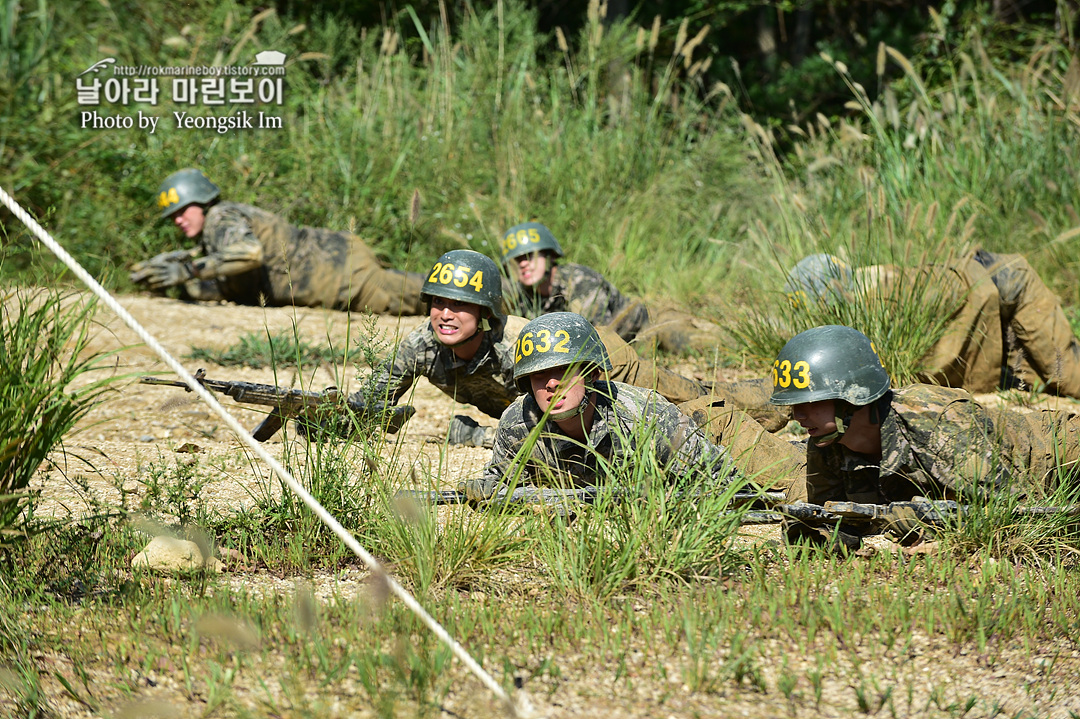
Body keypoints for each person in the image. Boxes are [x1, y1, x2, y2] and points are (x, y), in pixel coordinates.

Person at [350, 250, 713, 447]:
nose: (445, 315)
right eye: (437, 303)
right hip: (567, 392)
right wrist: (321, 414)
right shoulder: (420, 345)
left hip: (598, 365)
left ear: (485, 310)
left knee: (701, 405)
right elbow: (367, 406)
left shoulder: (515, 348)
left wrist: (478, 436)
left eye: (460, 305)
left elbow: (554, 431)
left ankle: (768, 397)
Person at [768, 325, 1080, 542]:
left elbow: (1012, 510)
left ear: (852, 397)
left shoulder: (938, 419)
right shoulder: (827, 442)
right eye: (795, 405)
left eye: (809, 402)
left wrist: (927, 531)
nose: (798, 415)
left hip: (1059, 455)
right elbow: (831, 524)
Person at [713, 249, 1080, 432]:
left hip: (1008, 283)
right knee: (1040, 384)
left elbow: (980, 291)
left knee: (1070, 376)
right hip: (991, 309)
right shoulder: (858, 304)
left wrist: (980, 383)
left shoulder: (880, 296)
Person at [460, 312, 806, 502]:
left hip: (705, 432)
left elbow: (724, 484)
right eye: (538, 376)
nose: (551, 383)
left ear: (591, 374)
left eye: (564, 371)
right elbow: (501, 482)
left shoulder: (643, 418)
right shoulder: (517, 425)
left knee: (785, 475)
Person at [130, 168, 426, 314]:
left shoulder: (220, 216)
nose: (178, 220)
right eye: (173, 217)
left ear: (202, 201)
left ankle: (469, 288)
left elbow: (249, 253)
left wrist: (188, 271)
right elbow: (222, 266)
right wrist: (173, 266)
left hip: (344, 275)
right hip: (337, 265)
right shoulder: (215, 233)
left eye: (183, 210)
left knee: (426, 297)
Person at [499, 221, 727, 354]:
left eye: (530, 255)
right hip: (622, 347)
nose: (524, 264)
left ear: (549, 256)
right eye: (517, 260)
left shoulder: (579, 281)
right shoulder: (522, 295)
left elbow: (591, 336)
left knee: (698, 345)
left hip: (650, 324)